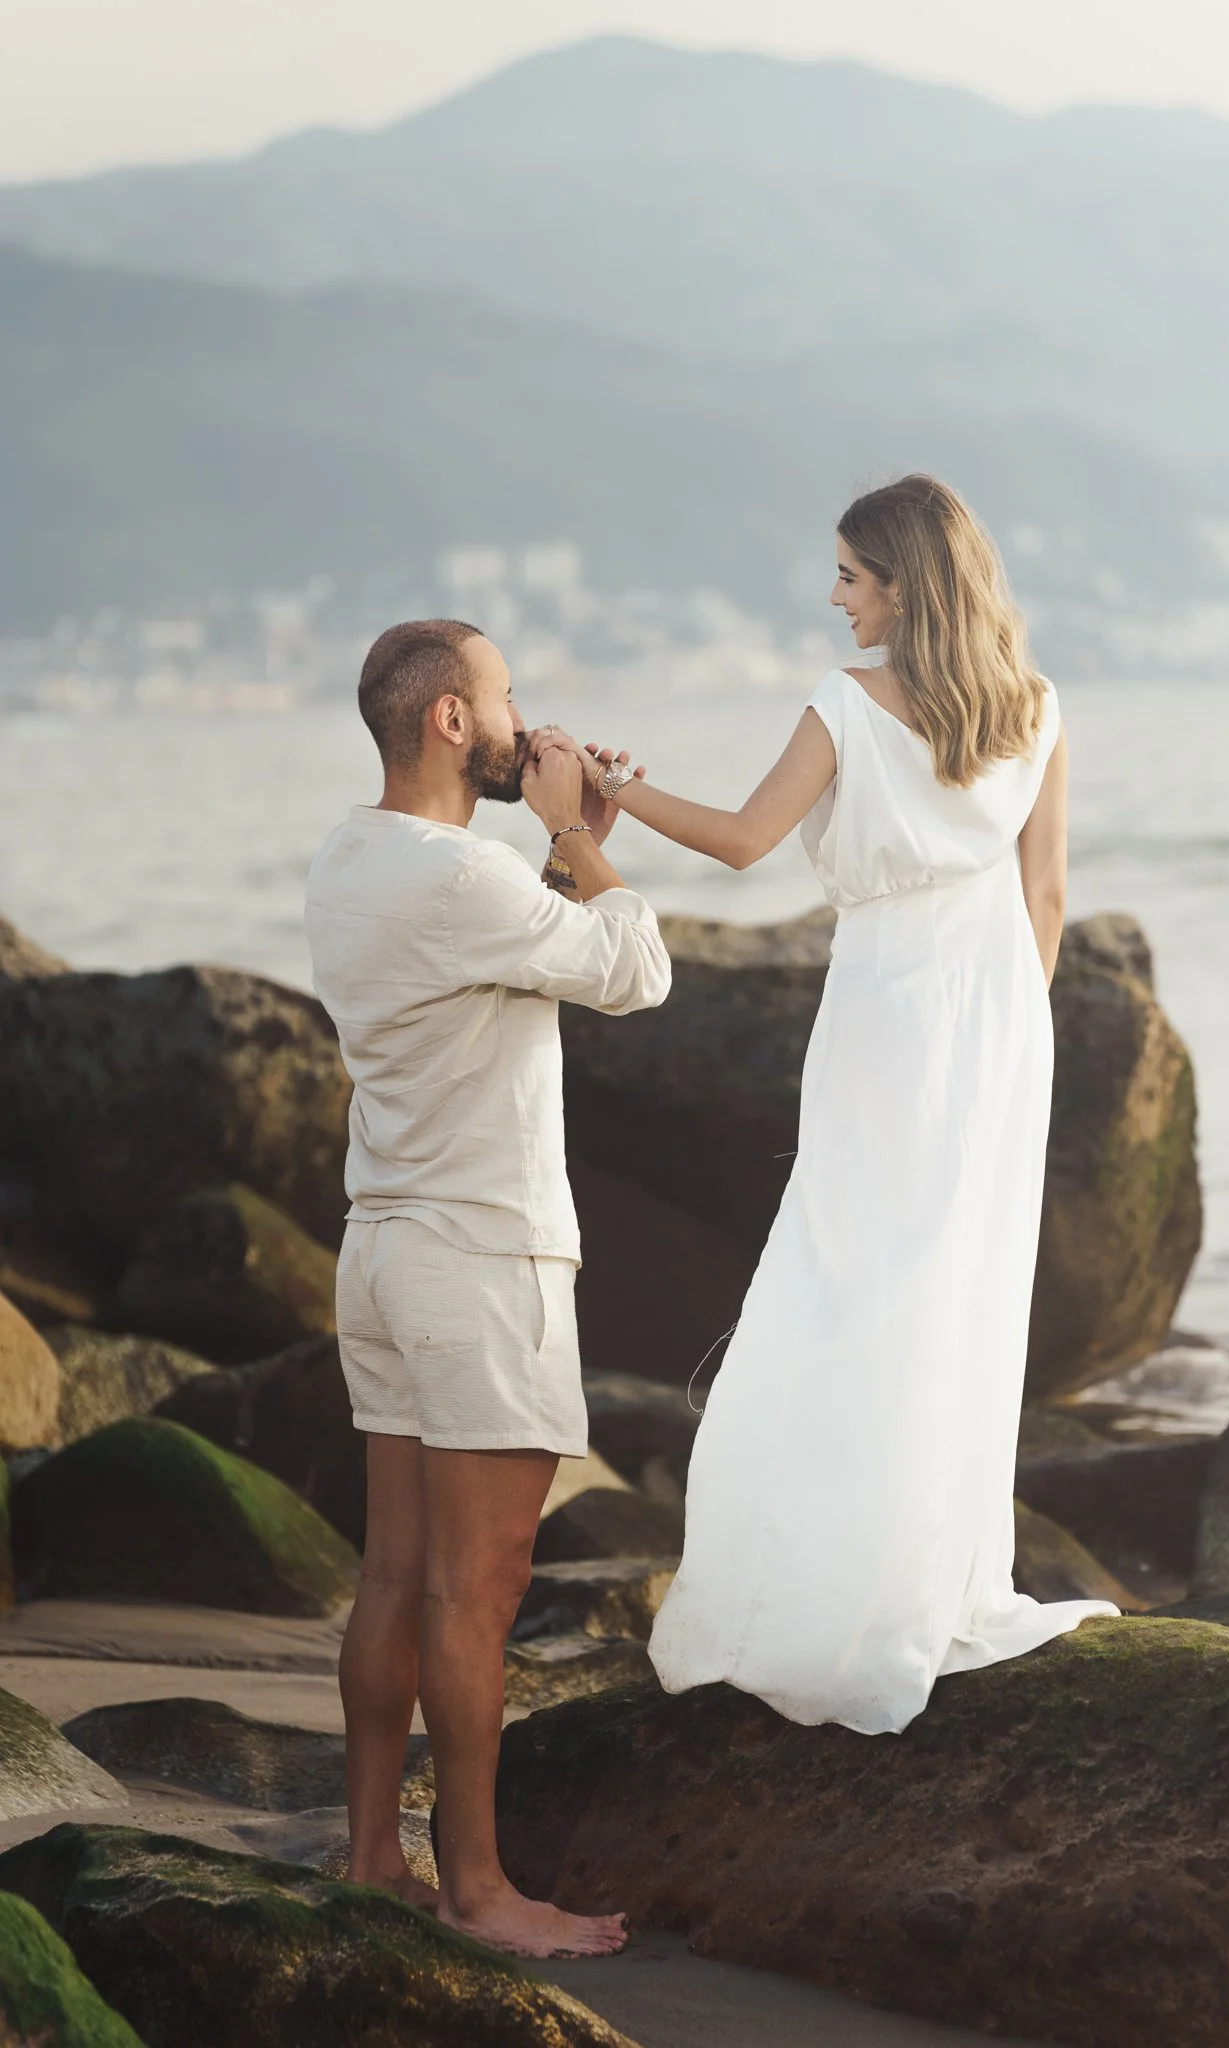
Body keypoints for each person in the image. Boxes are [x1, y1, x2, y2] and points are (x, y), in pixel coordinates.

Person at [545, 474, 1119, 1738]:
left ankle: (824, 1589)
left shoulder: (845, 705)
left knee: (846, 1280)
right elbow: (1050, 897)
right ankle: (931, 1575)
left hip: (888, 1017)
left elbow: (747, 842)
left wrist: (612, 791)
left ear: (906, 584)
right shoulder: (1038, 705)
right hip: (999, 1029)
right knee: (956, 1291)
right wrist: (1009, 1042)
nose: (835, 594)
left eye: (852, 574)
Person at [304, 619, 669, 1955]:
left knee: (394, 1576)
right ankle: (475, 1888)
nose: (526, 722)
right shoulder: (463, 878)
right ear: (451, 721)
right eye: (506, 700)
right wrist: (578, 831)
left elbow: (513, 946)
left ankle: (369, 1856)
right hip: (480, 1255)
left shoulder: (353, 856)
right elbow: (637, 969)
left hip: (387, 1251)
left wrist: (563, 831)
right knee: (481, 1584)